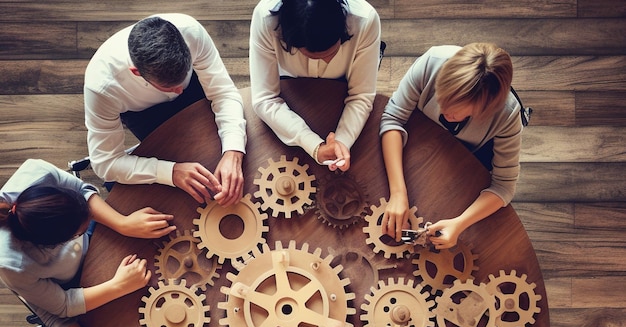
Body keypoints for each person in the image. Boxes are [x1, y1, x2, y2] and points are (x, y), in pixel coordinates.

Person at [0, 158, 152, 327]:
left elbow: (82, 190)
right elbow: (60, 308)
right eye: (79, 233)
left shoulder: (37, 173)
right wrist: (119, 285)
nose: (86, 225)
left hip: (102, 252)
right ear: (53, 245)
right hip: (77, 288)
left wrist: (123, 223)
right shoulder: (13, 265)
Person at [84, 13, 246, 206]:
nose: (179, 92)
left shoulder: (191, 32)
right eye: (169, 86)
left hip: (197, 86)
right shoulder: (101, 88)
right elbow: (105, 164)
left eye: (181, 80)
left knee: (214, 149)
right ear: (136, 72)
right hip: (143, 114)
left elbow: (223, 93)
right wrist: (171, 172)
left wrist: (233, 152)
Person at [380, 43, 524, 246]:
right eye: (442, 97)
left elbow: (504, 186)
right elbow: (392, 119)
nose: (444, 110)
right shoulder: (432, 61)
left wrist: (459, 224)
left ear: (483, 111)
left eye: (455, 111)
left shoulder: (507, 115)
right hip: (418, 148)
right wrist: (397, 193)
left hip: (462, 168)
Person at [250, 0, 381, 171]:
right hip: (292, 84)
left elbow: (361, 95)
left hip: (343, 83)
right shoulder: (265, 18)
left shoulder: (365, 19)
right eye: (310, 55)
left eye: (331, 53)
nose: (326, 61)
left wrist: (342, 142)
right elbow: (265, 98)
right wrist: (313, 145)